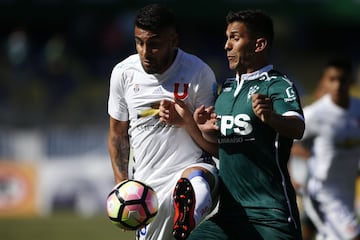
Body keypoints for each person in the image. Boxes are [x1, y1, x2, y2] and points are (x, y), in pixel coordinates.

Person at [160, 9, 305, 239]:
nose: (226, 45)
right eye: (227, 38)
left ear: (259, 45)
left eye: (235, 38)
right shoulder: (225, 90)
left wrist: (272, 118)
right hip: (230, 214)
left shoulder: (277, 84)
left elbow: (298, 128)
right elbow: (222, 150)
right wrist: (196, 126)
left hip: (272, 215)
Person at [107, 3, 219, 240]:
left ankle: (190, 214)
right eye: (139, 42)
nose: (145, 51)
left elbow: (216, 145)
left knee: (197, 181)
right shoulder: (123, 73)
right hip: (148, 191)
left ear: (174, 41)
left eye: (154, 44)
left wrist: (186, 120)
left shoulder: (198, 73)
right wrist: (122, 188)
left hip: (191, 169)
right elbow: (118, 135)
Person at [293, 59, 360, 240]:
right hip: (323, 194)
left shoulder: (357, 109)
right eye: (332, 79)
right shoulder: (315, 114)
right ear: (324, 81)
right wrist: (289, 176)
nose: (337, 85)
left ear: (351, 80)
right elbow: (285, 141)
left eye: (342, 79)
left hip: (347, 192)